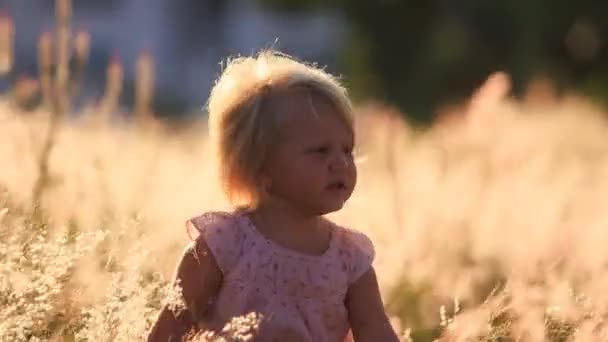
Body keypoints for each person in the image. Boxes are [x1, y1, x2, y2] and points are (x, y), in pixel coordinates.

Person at [147, 50, 399, 342]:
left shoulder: (349, 259)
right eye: (320, 151)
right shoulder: (223, 244)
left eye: (347, 149)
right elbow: (169, 330)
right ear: (259, 164)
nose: (340, 163)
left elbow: (377, 332)